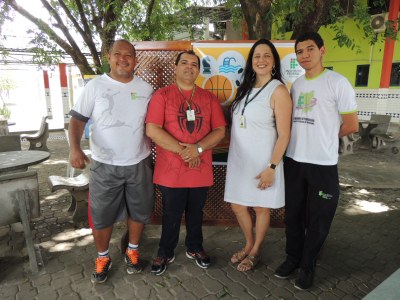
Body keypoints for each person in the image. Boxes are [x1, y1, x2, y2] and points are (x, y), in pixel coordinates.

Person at [274, 32, 359, 290]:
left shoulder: (338, 82)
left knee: (320, 217)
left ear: (322, 50)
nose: (305, 55)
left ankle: (308, 265)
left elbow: (352, 124)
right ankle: (293, 257)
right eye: (299, 51)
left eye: (310, 49)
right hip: (294, 161)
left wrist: (326, 137)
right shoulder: (297, 85)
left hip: (322, 163)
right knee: (294, 215)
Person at [68, 39, 154, 284]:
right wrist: (74, 148)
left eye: (129, 55)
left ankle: (133, 251)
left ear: (135, 60)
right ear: (109, 56)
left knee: (139, 210)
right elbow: (77, 120)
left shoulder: (146, 89)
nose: (123, 59)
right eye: (118, 54)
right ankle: (103, 257)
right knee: (102, 214)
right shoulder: (95, 87)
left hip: (139, 161)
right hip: (104, 164)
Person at [145, 50, 226, 276]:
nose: (189, 67)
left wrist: (198, 149)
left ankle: (194, 247)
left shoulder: (209, 98)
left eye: (194, 64)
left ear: (199, 70)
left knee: (196, 211)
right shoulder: (162, 95)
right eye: (184, 63)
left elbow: (220, 130)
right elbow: (152, 129)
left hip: (199, 168)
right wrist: (185, 151)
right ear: (176, 66)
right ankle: (165, 250)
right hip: (171, 169)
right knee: (171, 212)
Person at [224, 39, 292, 272]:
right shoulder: (244, 88)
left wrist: (272, 167)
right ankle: (249, 242)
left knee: (261, 208)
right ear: (251, 62)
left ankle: (256, 250)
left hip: (265, 161)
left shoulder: (278, 90)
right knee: (237, 205)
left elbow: (284, 134)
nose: (261, 60)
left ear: (274, 61)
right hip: (240, 160)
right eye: (256, 56)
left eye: (266, 56)